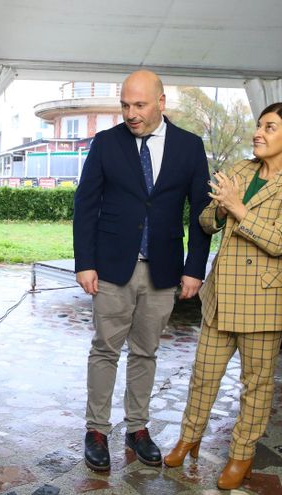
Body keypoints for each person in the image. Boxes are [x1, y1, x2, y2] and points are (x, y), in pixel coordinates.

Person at [164, 102, 282, 490]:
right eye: (258, 125)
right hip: (221, 294)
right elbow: (204, 220)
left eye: (270, 128)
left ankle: (241, 455)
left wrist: (236, 206)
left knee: (255, 384)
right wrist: (218, 213)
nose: (258, 133)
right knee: (203, 375)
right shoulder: (239, 169)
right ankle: (189, 437)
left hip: (264, 300)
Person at [73, 69, 211, 471]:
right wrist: (85, 263)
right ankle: (96, 430)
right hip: (113, 266)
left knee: (146, 352)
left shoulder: (190, 146)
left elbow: (201, 213)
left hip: (164, 269)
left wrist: (194, 269)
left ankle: (138, 428)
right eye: (125, 105)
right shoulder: (105, 143)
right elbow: (86, 205)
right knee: (104, 350)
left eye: (139, 105)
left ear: (161, 102)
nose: (131, 114)